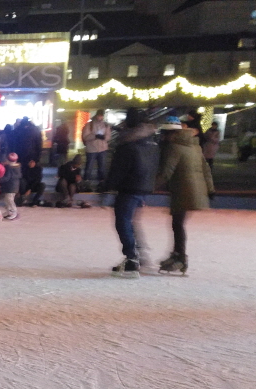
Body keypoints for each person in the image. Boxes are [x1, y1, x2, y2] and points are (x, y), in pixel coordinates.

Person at [156, 115, 214, 275]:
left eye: (165, 133)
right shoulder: (193, 145)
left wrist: (148, 187)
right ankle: (177, 255)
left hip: (184, 189)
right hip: (194, 189)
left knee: (178, 224)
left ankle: (180, 258)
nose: (163, 136)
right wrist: (210, 189)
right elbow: (206, 169)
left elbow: (166, 173)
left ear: (170, 133)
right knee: (178, 224)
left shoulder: (174, 147)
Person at [106, 108, 159, 279]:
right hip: (144, 186)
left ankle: (131, 260)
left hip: (129, 187)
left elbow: (119, 169)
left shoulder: (128, 143)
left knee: (123, 222)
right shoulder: (151, 141)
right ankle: (139, 257)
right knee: (131, 222)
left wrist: (107, 186)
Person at [81, 109, 109, 186]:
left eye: (102, 116)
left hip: (102, 148)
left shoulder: (106, 125)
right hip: (91, 149)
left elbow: (108, 136)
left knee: (102, 167)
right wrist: (95, 136)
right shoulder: (89, 125)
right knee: (89, 167)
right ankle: (86, 181)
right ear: (96, 115)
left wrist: (104, 137)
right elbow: (85, 137)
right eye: (99, 115)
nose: (100, 117)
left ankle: (101, 182)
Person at [0, 152, 22, 220]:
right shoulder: (18, 167)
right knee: (7, 199)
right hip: (14, 186)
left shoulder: (9, 168)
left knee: (9, 200)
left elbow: (7, 177)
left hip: (10, 187)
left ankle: (14, 212)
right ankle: (9, 211)